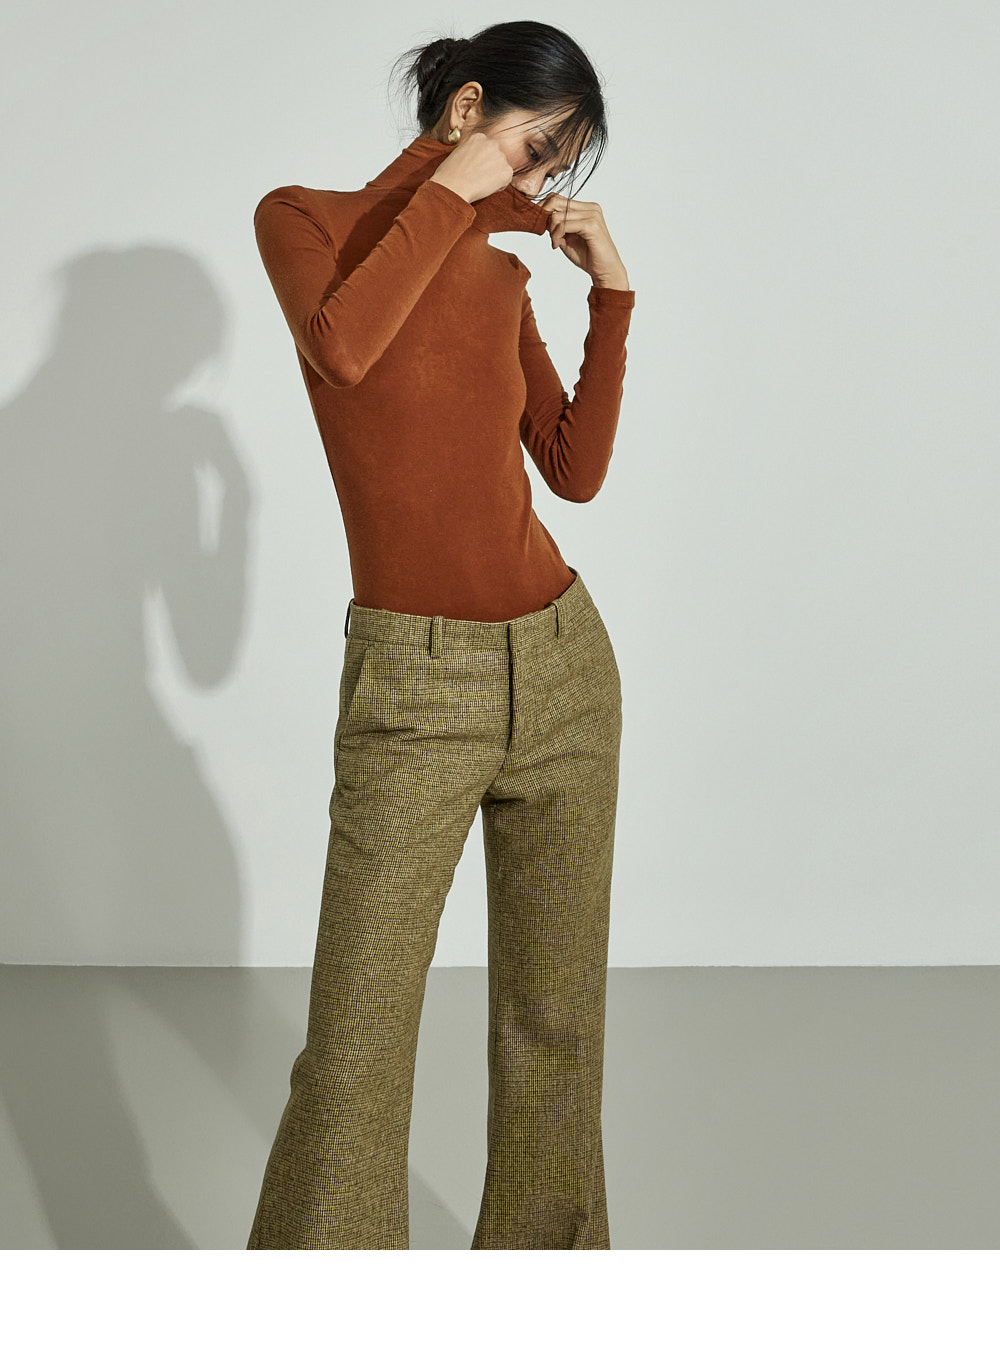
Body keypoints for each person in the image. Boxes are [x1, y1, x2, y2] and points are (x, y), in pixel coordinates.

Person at [245, 19, 635, 1249]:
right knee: (357, 1044)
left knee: (554, 1031)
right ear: (466, 108)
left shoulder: (501, 272)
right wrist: (455, 190)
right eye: (534, 147)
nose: (538, 181)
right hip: (416, 684)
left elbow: (572, 469)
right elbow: (343, 349)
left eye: (555, 164)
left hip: (563, 668)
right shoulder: (304, 223)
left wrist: (613, 296)